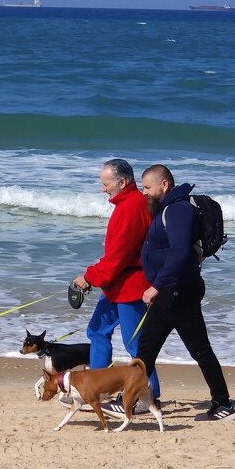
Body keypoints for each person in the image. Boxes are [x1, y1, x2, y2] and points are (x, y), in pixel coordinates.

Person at [134, 164, 235, 422]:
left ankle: (223, 404)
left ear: (164, 185)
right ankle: (221, 403)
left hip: (176, 291)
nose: (144, 192)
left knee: (154, 349)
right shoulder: (167, 209)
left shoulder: (177, 210)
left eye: (147, 187)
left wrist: (156, 286)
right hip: (176, 290)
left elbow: (180, 253)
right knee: (155, 348)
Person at [71, 159, 161, 407]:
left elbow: (118, 257)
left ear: (121, 182)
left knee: (136, 345)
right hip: (116, 285)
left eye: (105, 183)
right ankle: (95, 391)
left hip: (130, 287)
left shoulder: (130, 207)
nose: (103, 189)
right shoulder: (128, 204)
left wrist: (89, 277)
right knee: (97, 331)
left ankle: (149, 396)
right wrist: (95, 276)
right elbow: (116, 257)